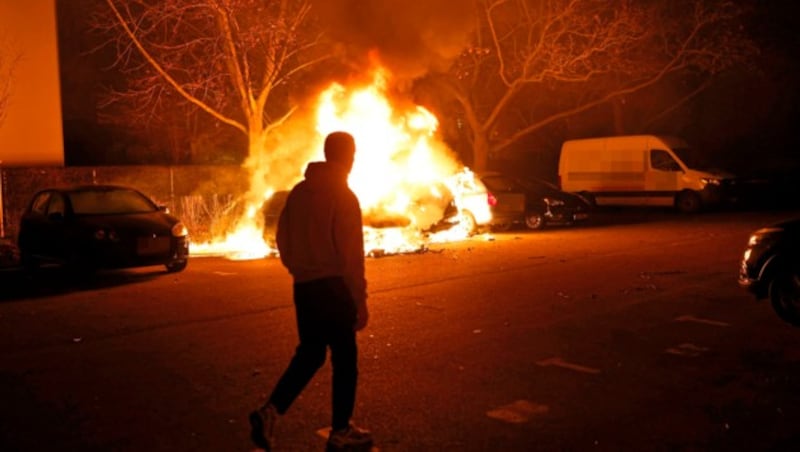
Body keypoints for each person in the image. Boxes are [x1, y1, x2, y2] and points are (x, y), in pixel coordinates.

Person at [249, 131, 372, 451]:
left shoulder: (300, 192)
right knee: (345, 359)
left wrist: (298, 268)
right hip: (333, 287)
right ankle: (341, 430)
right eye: (353, 153)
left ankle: (270, 411)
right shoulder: (343, 196)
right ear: (348, 157)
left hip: (304, 287)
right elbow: (350, 255)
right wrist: (359, 299)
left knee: (312, 353)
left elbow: (282, 237)